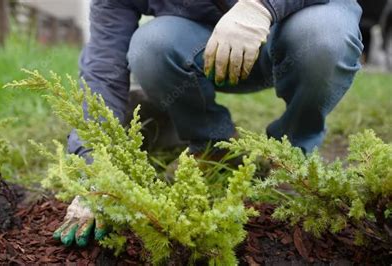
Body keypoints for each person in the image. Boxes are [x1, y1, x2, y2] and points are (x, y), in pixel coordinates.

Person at [52, 0, 364, 247]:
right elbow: (104, 69)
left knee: (325, 38)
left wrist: (260, 6)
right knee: (150, 45)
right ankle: (213, 147)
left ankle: (291, 156)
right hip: (211, 50)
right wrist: (94, 169)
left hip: (297, 32)